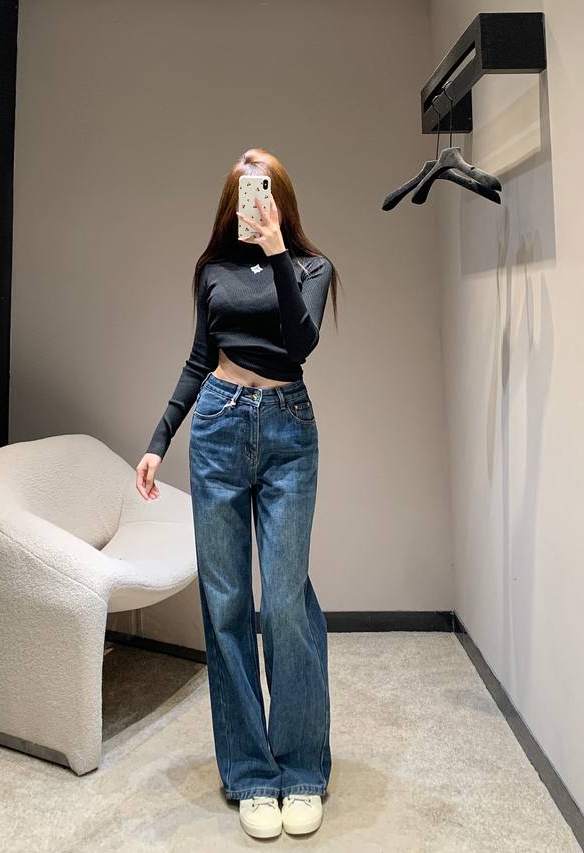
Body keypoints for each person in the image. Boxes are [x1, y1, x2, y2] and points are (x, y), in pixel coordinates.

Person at [136, 148, 340, 838]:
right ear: (232, 199)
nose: (254, 197)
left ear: (280, 196)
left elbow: (300, 343)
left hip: (289, 430)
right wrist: (159, 439)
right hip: (218, 425)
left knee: (284, 599)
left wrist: (277, 248)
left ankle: (301, 768)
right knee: (225, 605)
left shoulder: (312, 267)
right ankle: (251, 773)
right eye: (244, 187)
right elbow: (200, 356)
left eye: (265, 186)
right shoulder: (212, 272)